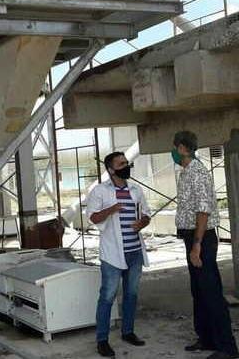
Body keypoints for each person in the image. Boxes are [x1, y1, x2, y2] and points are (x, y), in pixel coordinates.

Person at [172, 131, 239, 359]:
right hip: (192, 237)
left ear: (182, 148)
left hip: (202, 238)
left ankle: (227, 348)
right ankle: (207, 338)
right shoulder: (187, 172)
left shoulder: (198, 173)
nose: (173, 152)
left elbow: (203, 211)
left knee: (211, 292)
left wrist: (197, 244)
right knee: (199, 290)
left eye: (174, 147)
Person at [86, 151, 151, 357]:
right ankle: (102, 340)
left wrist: (142, 223)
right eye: (122, 163)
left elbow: (146, 214)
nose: (127, 166)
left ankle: (128, 332)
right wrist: (112, 209)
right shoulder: (100, 191)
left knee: (131, 295)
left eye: (127, 162)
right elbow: (93, 218)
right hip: (113, 254)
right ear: (112, 169)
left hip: (134, 252)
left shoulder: (135, 189)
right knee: (107, 296)